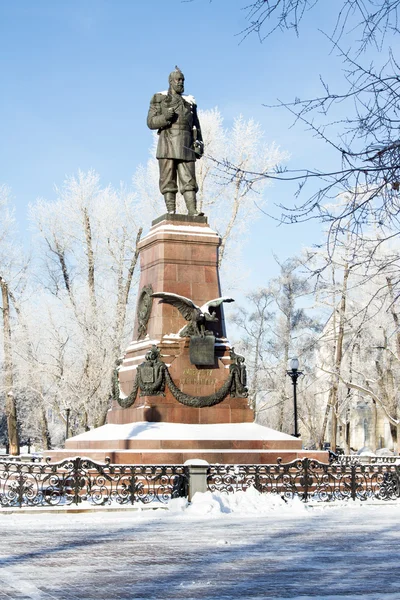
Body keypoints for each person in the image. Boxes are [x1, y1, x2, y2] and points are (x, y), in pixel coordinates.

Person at [147, 67, 204, 216]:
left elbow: (196, 125)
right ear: (171, 81)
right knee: (168, 179)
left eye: (182, 80)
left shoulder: (190, 102)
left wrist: (199, 143)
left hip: (186, 145)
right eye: (178, 80)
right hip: (167, 144)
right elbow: (151, 122)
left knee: (189, 180)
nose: (181, 82)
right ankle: (171, 211)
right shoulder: (160, 98)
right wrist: (165, 117)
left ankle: (192, 210)